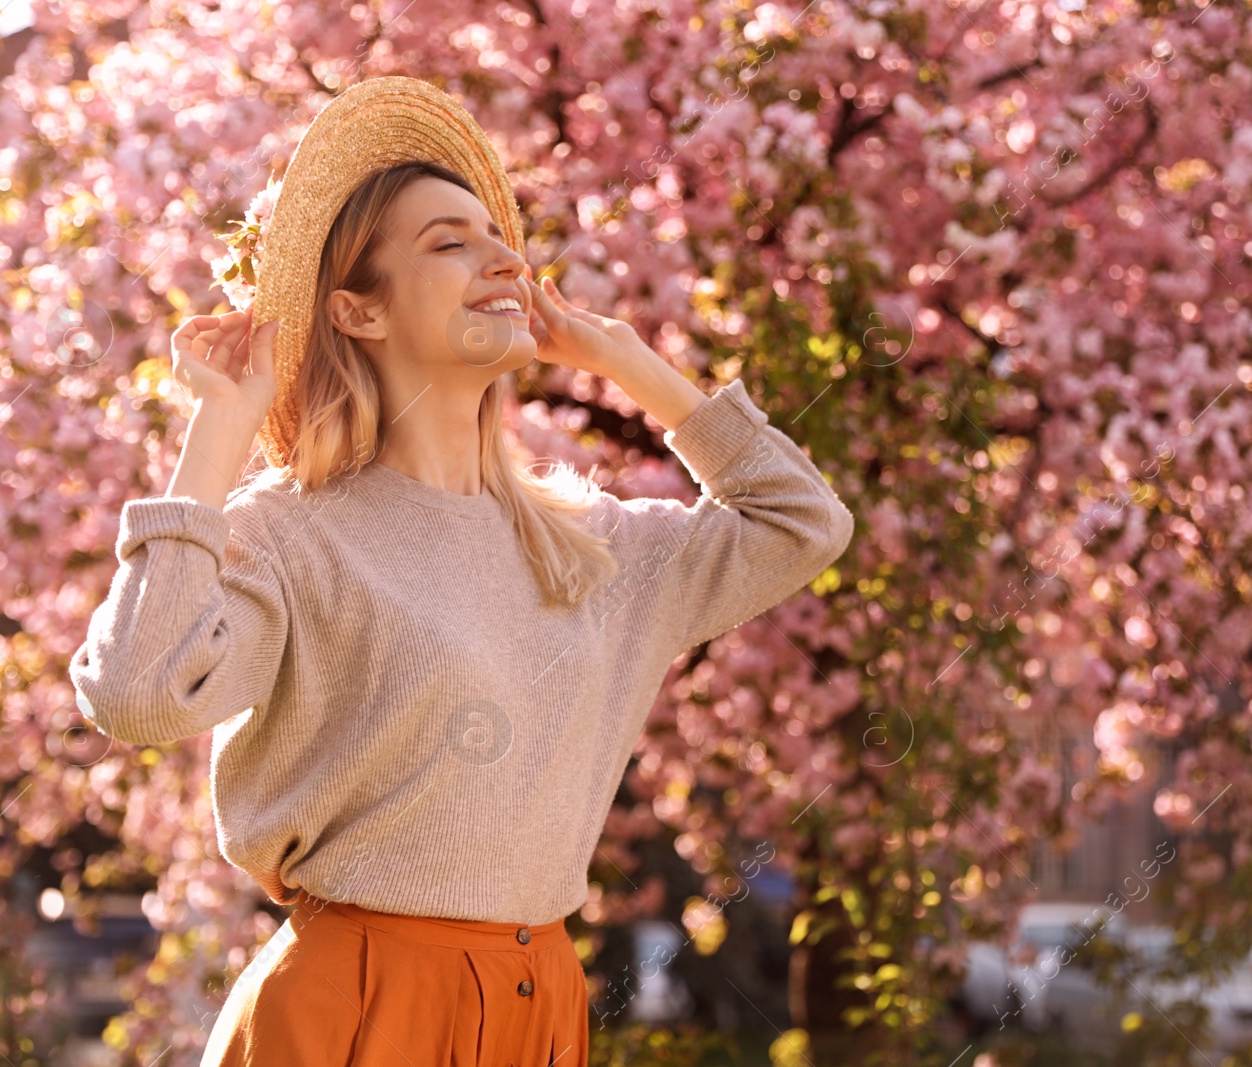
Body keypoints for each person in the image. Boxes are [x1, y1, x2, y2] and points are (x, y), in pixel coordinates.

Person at [68, 77, 854, 1066]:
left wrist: (632, 366)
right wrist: (219, 429)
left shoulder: (594, 545)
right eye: (450, 242)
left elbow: (801, 522)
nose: (503, 259)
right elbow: (136, 693)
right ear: (357, 310)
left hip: (540, 1006)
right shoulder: (290, 533)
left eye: (498, 236)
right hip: (352, 1006)